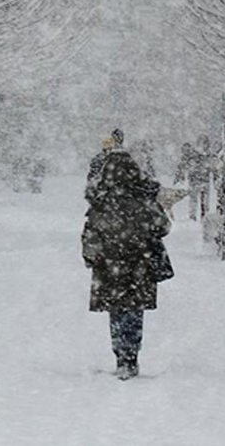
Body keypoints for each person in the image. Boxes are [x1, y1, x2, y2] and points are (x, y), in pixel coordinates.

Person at [82, 128, 170, 380]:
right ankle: (132, 356)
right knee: (134, 310)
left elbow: (89, 234)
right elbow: (163, 227)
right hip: (139, 263)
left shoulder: (101, 203)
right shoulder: (144, 201)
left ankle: (120, 355)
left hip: (109, 266)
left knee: (116, 310)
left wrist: (92, 257)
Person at [174, 138, 212, 222]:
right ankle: (200, 216)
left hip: (198, 180)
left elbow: (182, 166)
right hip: (200, 180)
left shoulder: (192, 156)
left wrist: (179, 175)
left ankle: (198, 216)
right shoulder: (199, 155)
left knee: (198, 200)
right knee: (201, 200)